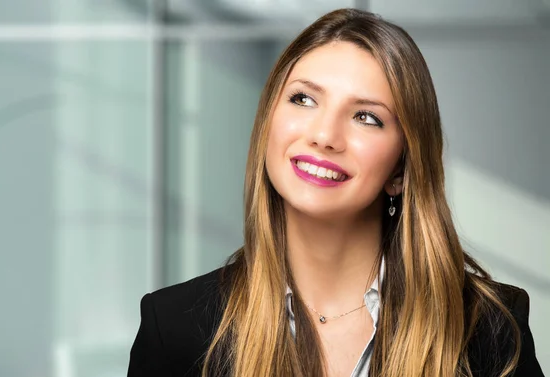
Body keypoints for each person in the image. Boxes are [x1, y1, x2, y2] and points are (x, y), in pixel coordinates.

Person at [127, 8, 544, 377]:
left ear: (400, 168)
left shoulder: (490, 327)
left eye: (366, 117)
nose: (325, 136)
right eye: (303, 99)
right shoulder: (174, 328)